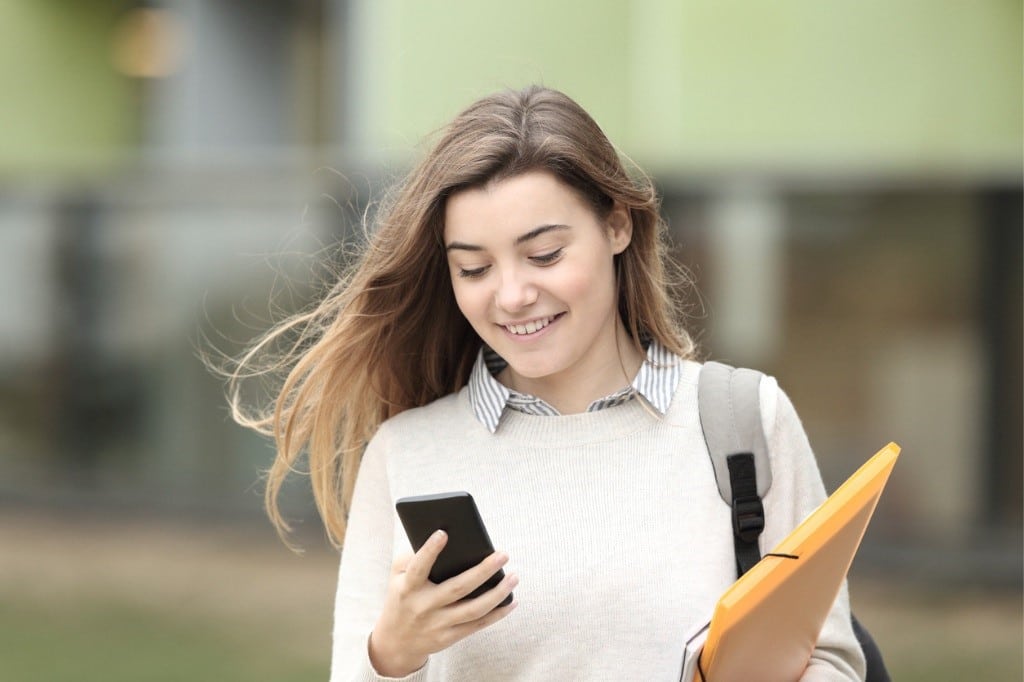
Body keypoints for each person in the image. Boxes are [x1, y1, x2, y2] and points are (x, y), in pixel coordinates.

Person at [227, 85, 866, 681]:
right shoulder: (408, 452)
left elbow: (832, 659)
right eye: (474, 268)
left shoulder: (742, 420)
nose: (511, 295)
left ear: (617, 226)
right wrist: (391, 654)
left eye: (544, 255)